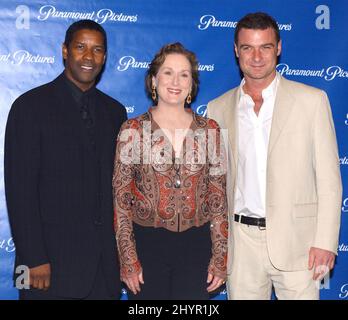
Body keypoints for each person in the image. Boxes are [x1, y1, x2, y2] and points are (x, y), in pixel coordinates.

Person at [207, 12, 342, 300]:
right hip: (240, 245)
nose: (256, 57)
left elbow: (330, 181)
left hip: (299, 244)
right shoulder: (217, 109)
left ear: (278, 48)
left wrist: (326, 242)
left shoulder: (312, 101)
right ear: (236, 51)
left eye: (265, 47)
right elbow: (215, 185)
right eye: (247, 48)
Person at [4, 20, 127, 300]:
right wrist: (33, 258)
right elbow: (20, 190)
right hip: (46, 267)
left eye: (97, 50)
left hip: (102, 269)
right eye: (80, 47)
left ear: (105, 57)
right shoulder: (29, 107)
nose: (88, 56)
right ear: (64, 51)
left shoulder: (115, 112)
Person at [113, 42, 228, 300]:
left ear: (191, 84)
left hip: (197, 248)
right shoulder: (131, 130)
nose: (176, 81)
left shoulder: (211, 130)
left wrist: (221, 257)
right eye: (168, 72)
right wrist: (128, 258)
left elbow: (218, 198)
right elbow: (121, 200)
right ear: (154, 80)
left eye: (184, 74)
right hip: (146, 246)